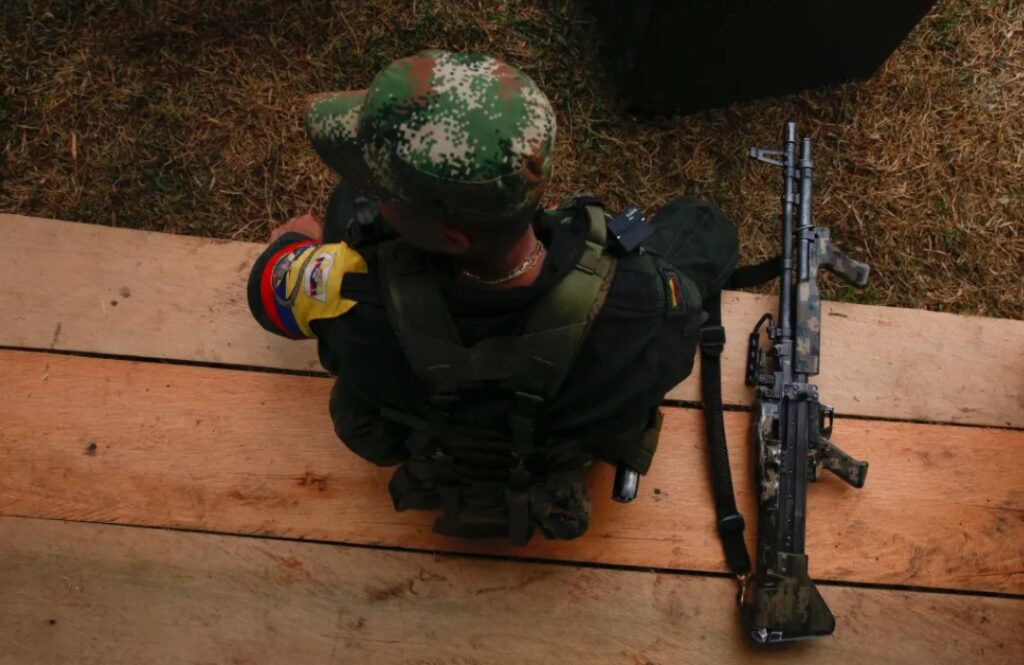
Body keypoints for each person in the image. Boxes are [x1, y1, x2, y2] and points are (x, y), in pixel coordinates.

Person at [248, 49, 738, 544]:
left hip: (419, 429)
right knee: (702, 223)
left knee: (344, 203)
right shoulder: (646, 307)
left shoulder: (350, 295)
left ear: (452, 238)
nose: (373, 198)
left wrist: (295, 244)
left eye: (384, 195)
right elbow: (668, 354)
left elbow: (268, 294)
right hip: (558, 440)